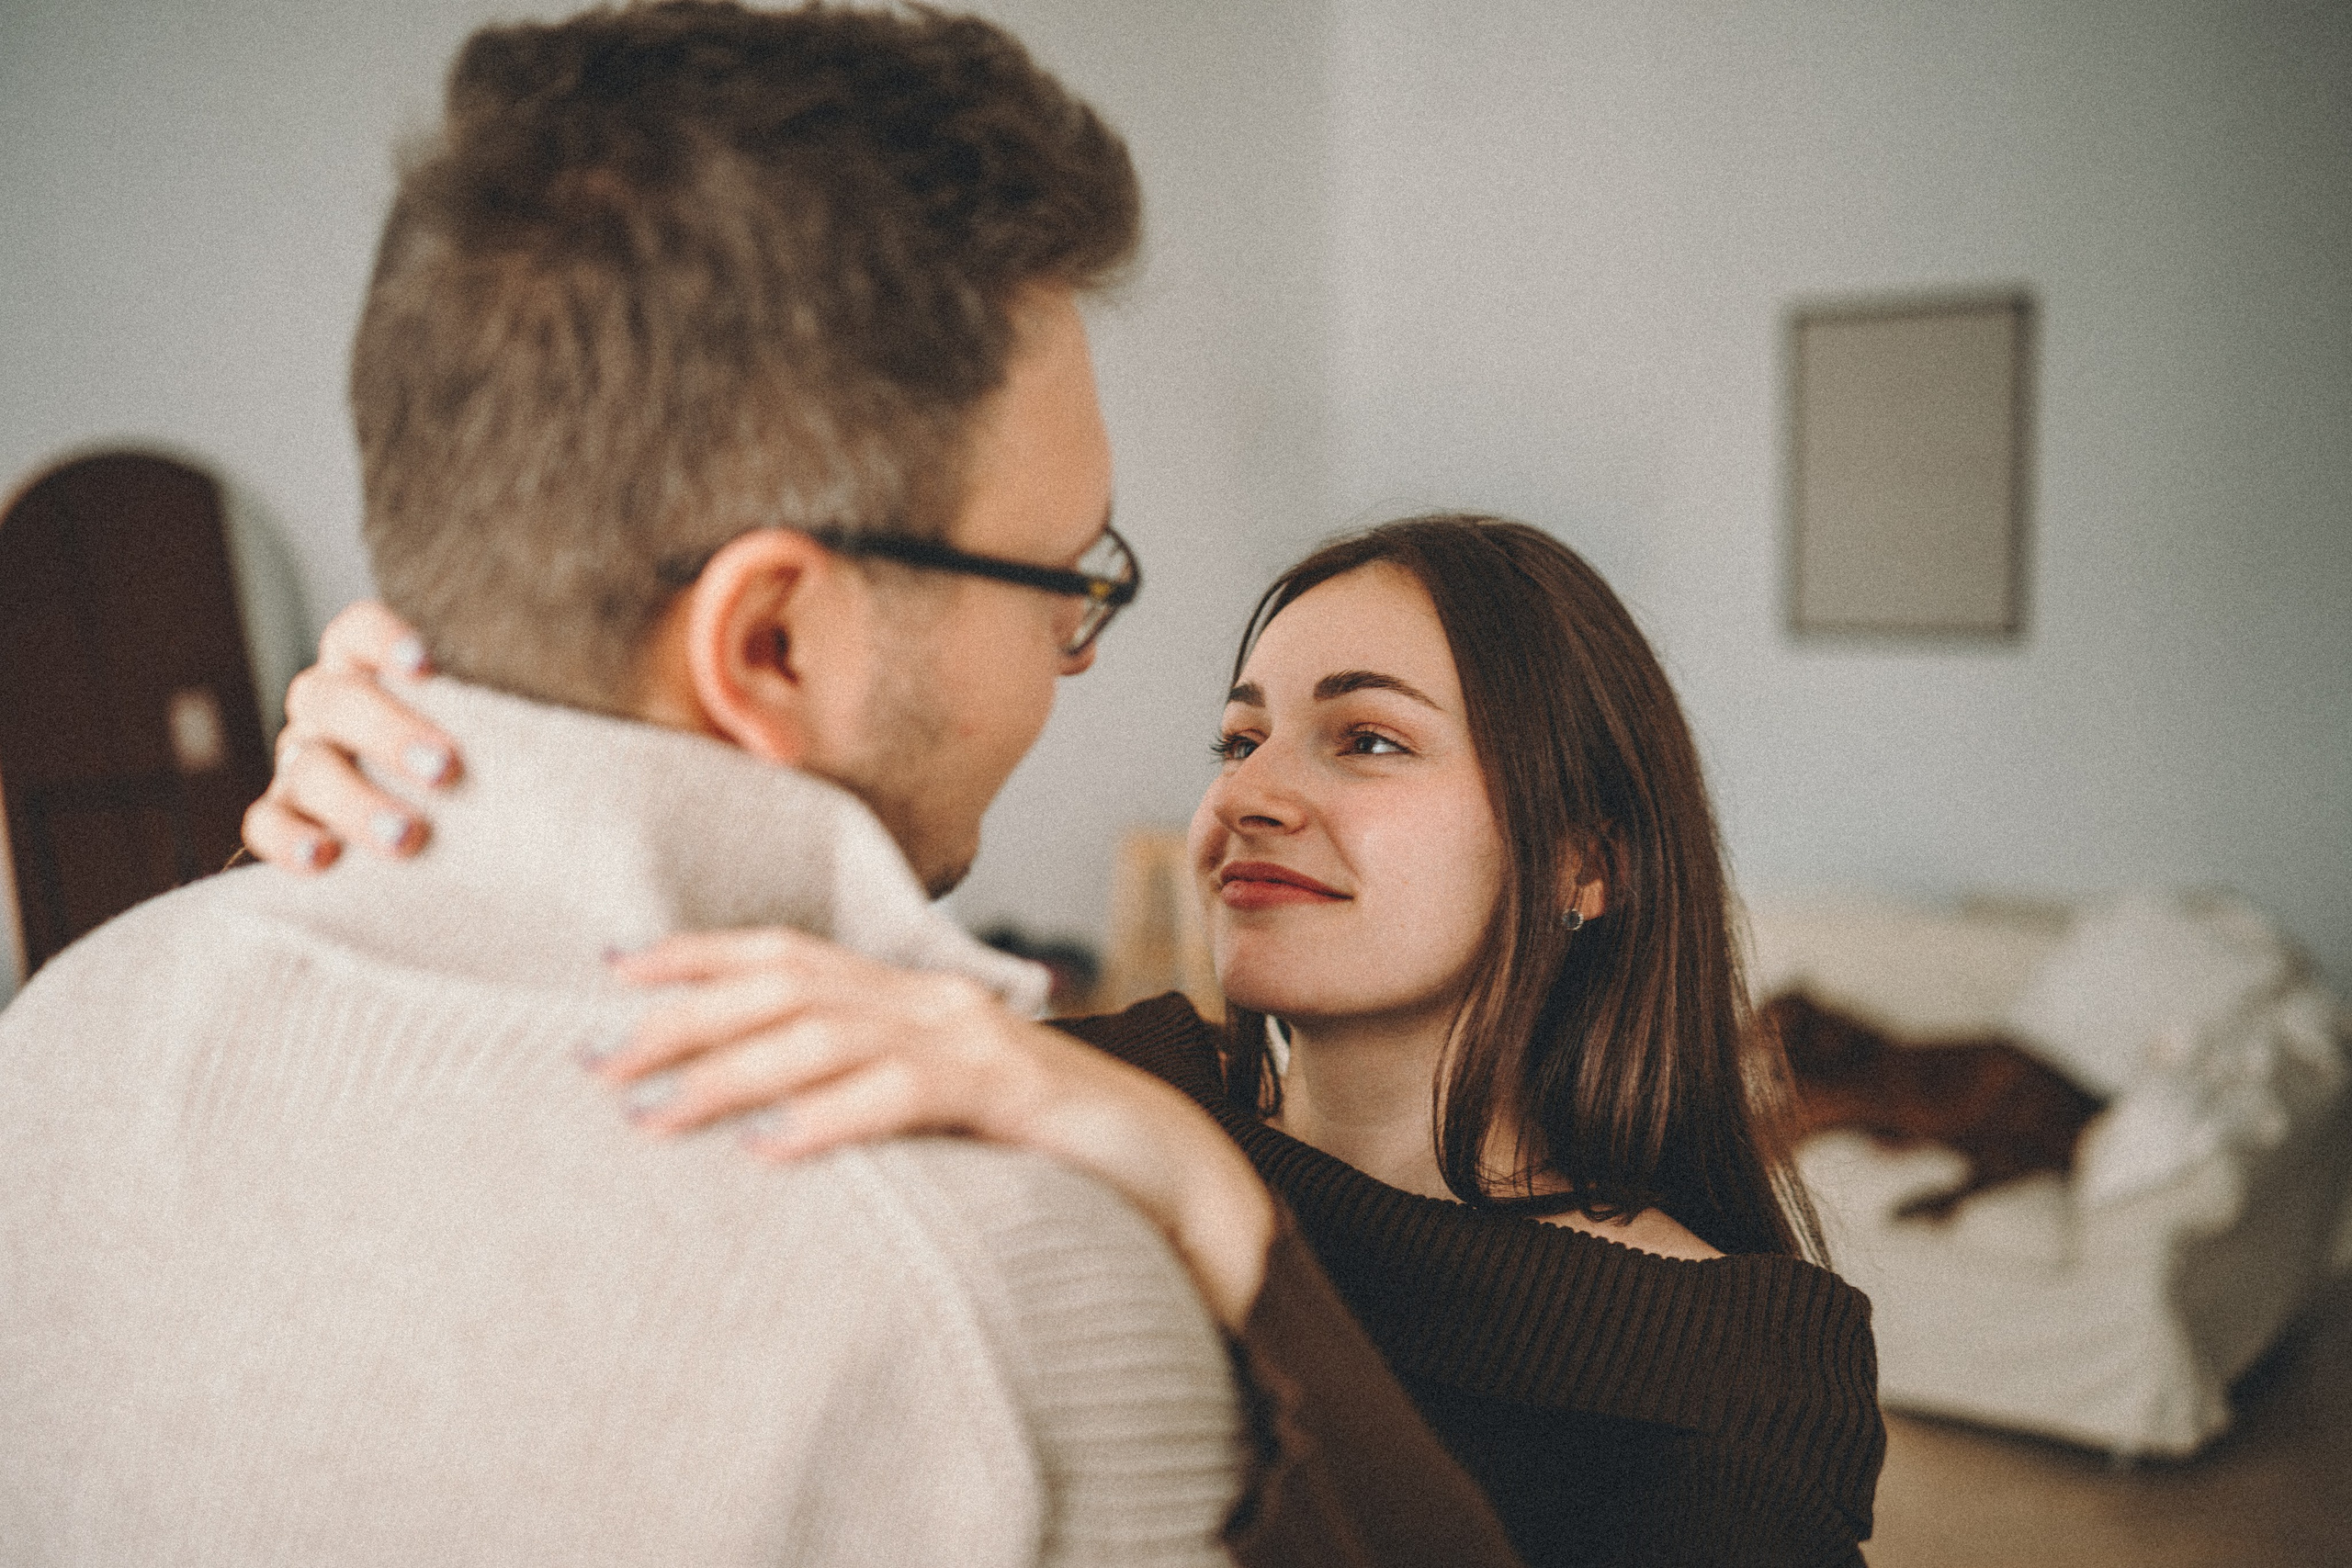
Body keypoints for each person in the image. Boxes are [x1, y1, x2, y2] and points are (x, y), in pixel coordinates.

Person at [0, 6, 1522, 1565]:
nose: (1074, 657)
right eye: (1065, 580)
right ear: (775, 642)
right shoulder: (1007, 1284)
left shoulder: (59, 1045)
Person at [256, 514, 1889, 1565]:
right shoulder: (1085, 1084)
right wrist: (417, 791)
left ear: (1587, 858)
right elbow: (614, 1051)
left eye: (1366, 738)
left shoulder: (1756, 1356)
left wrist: (1219, 1217)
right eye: (1238, 734)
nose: (1253, 789)